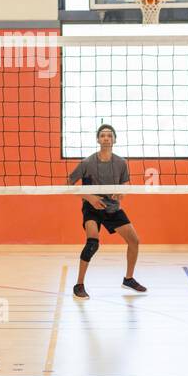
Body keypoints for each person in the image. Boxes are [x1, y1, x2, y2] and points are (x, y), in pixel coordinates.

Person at [67, 123, 145, 298]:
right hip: (92, 208)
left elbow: (125, 183)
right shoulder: (87, 162)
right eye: (102, 135)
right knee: (92, 243)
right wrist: (90, 197)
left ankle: (128, 279)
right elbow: (69, 183)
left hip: (112, 208)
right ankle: (79, 284)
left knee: (134, 240)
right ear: (97, 139)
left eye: (110, 135)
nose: (106, 138)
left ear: (114, 140)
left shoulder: (121, 162)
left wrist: (121, 191)